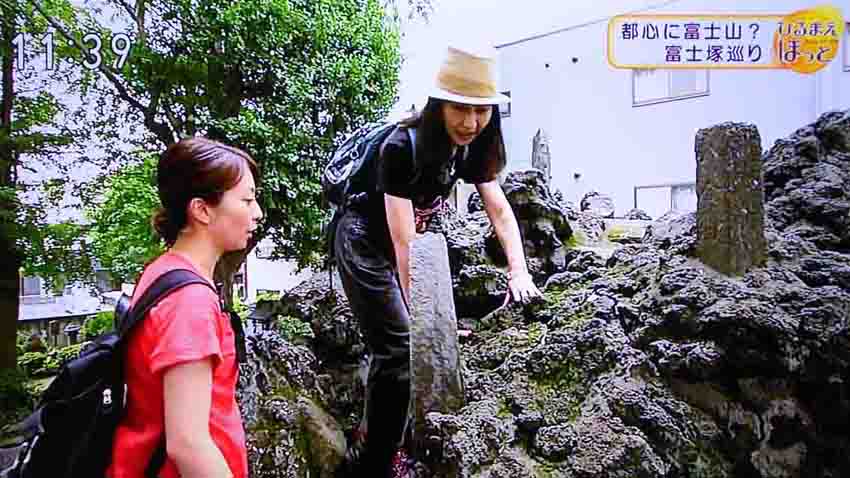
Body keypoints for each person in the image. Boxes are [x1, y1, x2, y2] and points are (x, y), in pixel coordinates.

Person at [333, 44, 543, 477]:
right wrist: (428, 325)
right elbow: (404, 241)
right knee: (398, 346)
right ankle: (375, 461)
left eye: (481, 110)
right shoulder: (401, 145)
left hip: (401, 241)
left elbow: (499, 210)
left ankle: (378, 434)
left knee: (403, 344)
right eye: (459, 109)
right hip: (363, 240)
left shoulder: (475, 143)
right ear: (438, 105)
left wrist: (519, 272)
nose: (470, 122)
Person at [106, 137, 263, 478]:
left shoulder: (163, 271)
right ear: (202, 210)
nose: (257, 213)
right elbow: (189, 444)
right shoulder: (190, 300)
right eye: (247, 200)